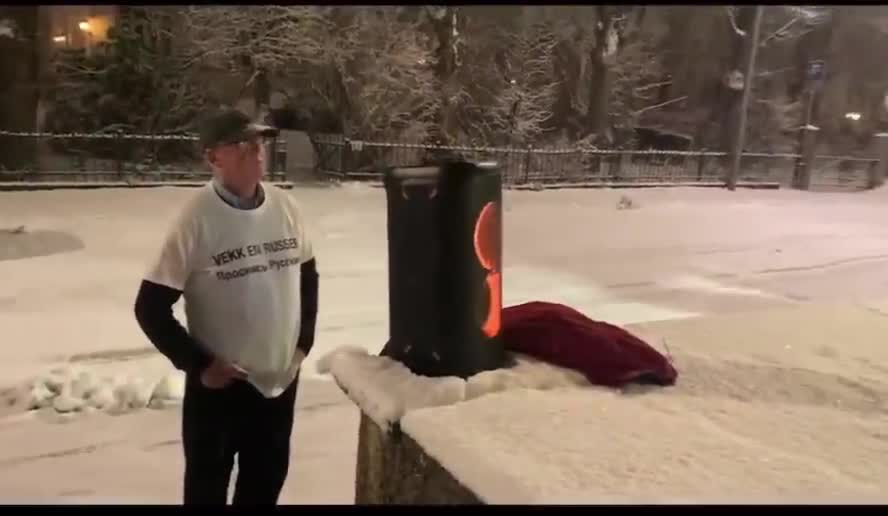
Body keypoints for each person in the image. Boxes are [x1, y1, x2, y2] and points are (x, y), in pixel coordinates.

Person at [134, 108, 319, 505]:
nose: (256, 151)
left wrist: (303, 343)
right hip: (221, 390)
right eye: (242, 144)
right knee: (207, 491)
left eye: (259, 142)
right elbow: (150, 307)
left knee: (264, 488)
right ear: (212, 157)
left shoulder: (286, 208)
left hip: (279, 382)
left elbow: (308, 276)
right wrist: (200, 365)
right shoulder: (197, 219)